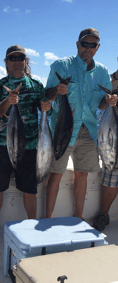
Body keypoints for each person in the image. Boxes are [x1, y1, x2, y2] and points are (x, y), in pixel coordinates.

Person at [45, 28, 116, 220]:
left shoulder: (102, 72)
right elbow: (47, 96)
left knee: (82, 174)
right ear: (78, 44)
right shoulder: (61, 65)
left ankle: (78, 217)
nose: (88, 48)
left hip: (89, 130)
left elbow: (101, 105)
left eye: (93, 45)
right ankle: (48, 217)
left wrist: (109, 101)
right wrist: (57, 90)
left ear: (98, 48)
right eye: (85, 44)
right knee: (56, 174)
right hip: (64, 129)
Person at [0, 45, 51, 248]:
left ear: (25, 61)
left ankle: (31, 228)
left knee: (29, 189)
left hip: (30, 146)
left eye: (20, 58)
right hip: (4, 144)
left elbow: (45, 103)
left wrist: (47, 105)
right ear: (6, 62)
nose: (16, 61)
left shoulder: (36, 85)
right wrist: (8, 101)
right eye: (12, 58)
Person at [92, 69, 118, 231]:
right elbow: (100, 107)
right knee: (111, 173)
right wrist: (107, 100)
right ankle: (104, 214)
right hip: (112, 134)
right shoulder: (108, 80)